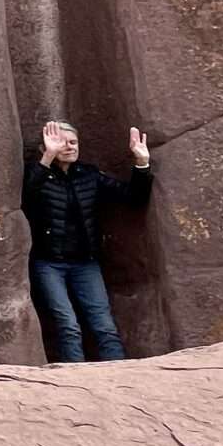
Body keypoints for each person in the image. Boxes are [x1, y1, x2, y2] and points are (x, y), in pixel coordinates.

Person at [21, 116, 152, 363]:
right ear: (45, 146)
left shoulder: (88, 174)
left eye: (74, 142)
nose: (70, 147)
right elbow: (25, 199)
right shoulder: (37, 174)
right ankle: (76, 382)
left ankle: (121, 376)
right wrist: (47, 158)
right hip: (49, 263)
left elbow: (133, 198)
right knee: (68, 325)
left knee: (104, 325)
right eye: (62, 142)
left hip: (85, 262)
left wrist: (142, 162)